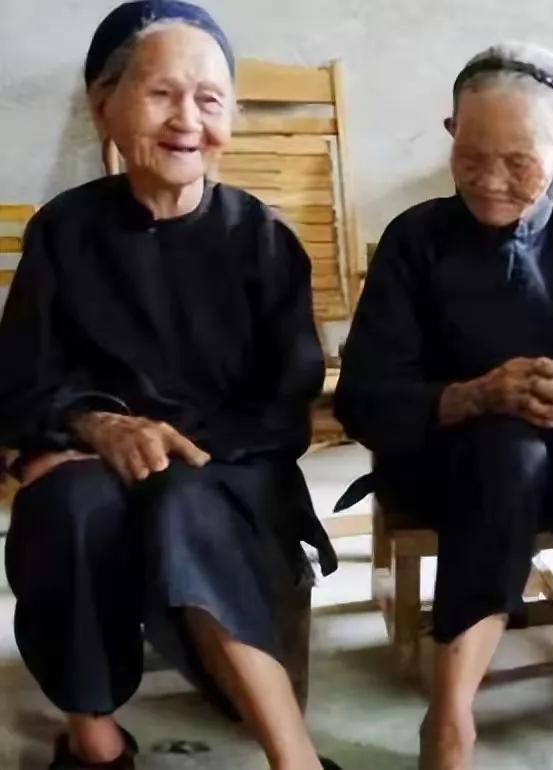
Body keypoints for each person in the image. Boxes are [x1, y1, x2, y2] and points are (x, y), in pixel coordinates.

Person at [334, 42, 553, 770]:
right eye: (470, 157)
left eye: (519, 163)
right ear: (450, 134)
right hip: (448, 461)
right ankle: (449, 719)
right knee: (508, 451)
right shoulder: (416, 240)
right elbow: (365, 399)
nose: (490, 180)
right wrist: (472, 394)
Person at [0, 3, 340, 769]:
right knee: (66, 502)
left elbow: (286, 404)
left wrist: (176, 453)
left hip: (229, 467)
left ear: (231, 118)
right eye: (161, 94)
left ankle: (293, 758)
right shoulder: (63, 232)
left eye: (210, 99)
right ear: (105, 107)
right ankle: (94, 742)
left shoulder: (264, 242)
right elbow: (19, 381)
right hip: (99, 462)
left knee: (183, 497)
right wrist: (93, 428)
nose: (188, 120)